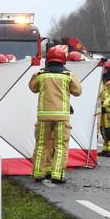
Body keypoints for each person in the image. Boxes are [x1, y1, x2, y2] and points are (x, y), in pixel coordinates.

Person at [29, 47, 82, 183]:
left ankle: (38, 173)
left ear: (48, 60)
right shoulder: (68, 76)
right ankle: (57, 175)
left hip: (43, 117)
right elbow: (78, 91)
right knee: (60, 145)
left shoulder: (41, 75)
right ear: (63, 60)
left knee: (41, 144)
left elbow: (33, 88)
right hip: (62, 117)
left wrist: (38, 74)